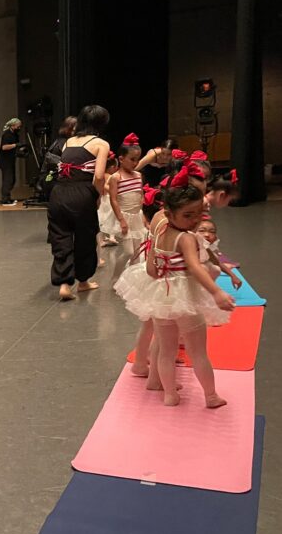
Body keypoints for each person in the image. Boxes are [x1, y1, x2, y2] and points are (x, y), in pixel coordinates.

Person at [114, 177, 235, 407]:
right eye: (188, 215)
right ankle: (211, 396)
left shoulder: (160, 230)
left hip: (162, 299)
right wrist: (216, 292)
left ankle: (170, 395)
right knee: (198, 352)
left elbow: (151, 269)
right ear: (170, 214)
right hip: (185, 298)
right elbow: (195, 267)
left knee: (166, 351)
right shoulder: (186, 238)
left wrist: (165, 273)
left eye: (198, 214)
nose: (195, 220)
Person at [48, 105, 110, 301]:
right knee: (85, 238)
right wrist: (98, 195)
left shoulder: (69, 141)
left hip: (58, 193)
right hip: (82, 193)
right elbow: (98, 176)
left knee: (61, 237)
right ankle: (83, 281)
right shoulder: (101, 144)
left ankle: (64, 284)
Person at [107, 134, 148, 280]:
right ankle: (115, 277)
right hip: (124, 216)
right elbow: (113, 199)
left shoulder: (138, 176)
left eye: (137, 159)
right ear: (121, 159)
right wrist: (121, 219)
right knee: (128, 251)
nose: (135, 163)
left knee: (137, 252)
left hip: (137, 216)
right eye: (132, 159)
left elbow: (140, 197)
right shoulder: (116, 177)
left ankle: (132, 280)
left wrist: (143, 216)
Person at [196, 219, 243, 286]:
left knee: (215, 268)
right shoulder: (190, 246)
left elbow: (216, 262)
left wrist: (233, 276)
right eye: (201, 231)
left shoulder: (208, 249)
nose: (207, 234)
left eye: (212, 232)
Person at [0, 118, 22, 205]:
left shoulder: (14, 134)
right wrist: (15, 145)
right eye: (18, 126)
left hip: (11, 161)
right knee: (7, 180)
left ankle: (8, 197)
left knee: (12, 180)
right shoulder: (7, 134)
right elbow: (4, 147)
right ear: (13, 125)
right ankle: (5, 199)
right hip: (5, 162)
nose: (19, 128)